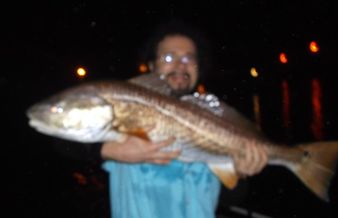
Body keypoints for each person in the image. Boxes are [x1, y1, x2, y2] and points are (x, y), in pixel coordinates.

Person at [97, 20, 268, 218]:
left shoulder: (215, 121)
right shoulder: (127, 109)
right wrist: (107, 150)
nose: (180, 65)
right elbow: (61, 137)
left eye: (189, 59)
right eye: (169, 57)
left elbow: (231, 198)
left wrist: (241, 172)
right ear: (152, 65)